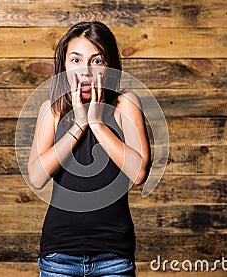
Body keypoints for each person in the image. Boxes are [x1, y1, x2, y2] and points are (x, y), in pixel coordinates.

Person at [28, 21, 151, 276]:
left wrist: (96, 123)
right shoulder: (51, 110)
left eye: (96, 61)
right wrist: (79, 125)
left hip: (114, 256)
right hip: (58, 257)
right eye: (76, 60)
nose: (85, 71)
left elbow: (139, 173)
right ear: (63, 64)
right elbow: (37, 177)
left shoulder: (125, 104)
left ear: (110, 67)